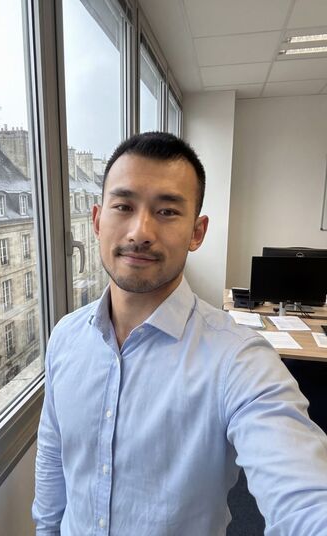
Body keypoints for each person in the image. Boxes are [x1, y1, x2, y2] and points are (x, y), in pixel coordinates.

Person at [32, 132, 327, 535]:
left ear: (197, 232)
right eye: (124, 206)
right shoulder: (66, 337)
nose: (140, 231)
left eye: (167, 211)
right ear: (98, 221)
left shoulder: (238, 361)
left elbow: (305, 498)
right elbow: (53, 460)